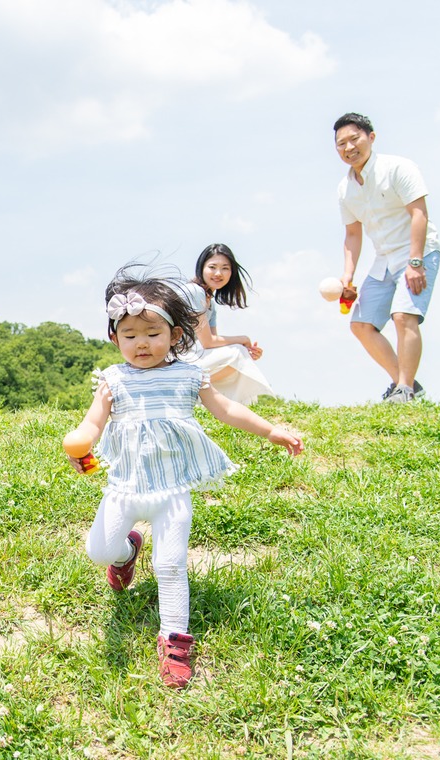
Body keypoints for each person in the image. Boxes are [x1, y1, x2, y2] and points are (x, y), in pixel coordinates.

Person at [63, 263, 303, 688]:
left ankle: (174, 641)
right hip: (124, 489)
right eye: (130, 335)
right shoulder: (112, 379)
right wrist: (78, 442)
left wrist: (271, 430)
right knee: (100, 552)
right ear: (115, 338)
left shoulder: (190, 375)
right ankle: (125, 552)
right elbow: (92, 424)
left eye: (153, 334)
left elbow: (227, 410)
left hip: (173, 490)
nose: (141, 344)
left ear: (175, 335)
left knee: (171, 565)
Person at [334, 112, 440, 403]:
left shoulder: (398, 167)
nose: (348, 148)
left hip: (417, 253)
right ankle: (404, 385)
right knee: (361, 325)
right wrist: (348, 275)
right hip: (383, 260)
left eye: (354, 139)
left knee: (404, 317)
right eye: (340, 143)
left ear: (371, 137)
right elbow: (353, 235)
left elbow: (419, 213)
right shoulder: (345, 189)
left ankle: (404, 390)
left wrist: (416, 262)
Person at [181, 243, 276, 405]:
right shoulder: (194, 292)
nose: (218, 273)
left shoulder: (210, 303)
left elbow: (212, 343)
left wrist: (247, 350)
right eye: (212, 267)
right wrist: (243, 339)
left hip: (189, 357)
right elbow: (208, 342)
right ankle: (188, 388)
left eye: (225, 268)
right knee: (237, 352)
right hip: (173, 358)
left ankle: (197, 392)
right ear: (201, 268)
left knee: (240, 355)